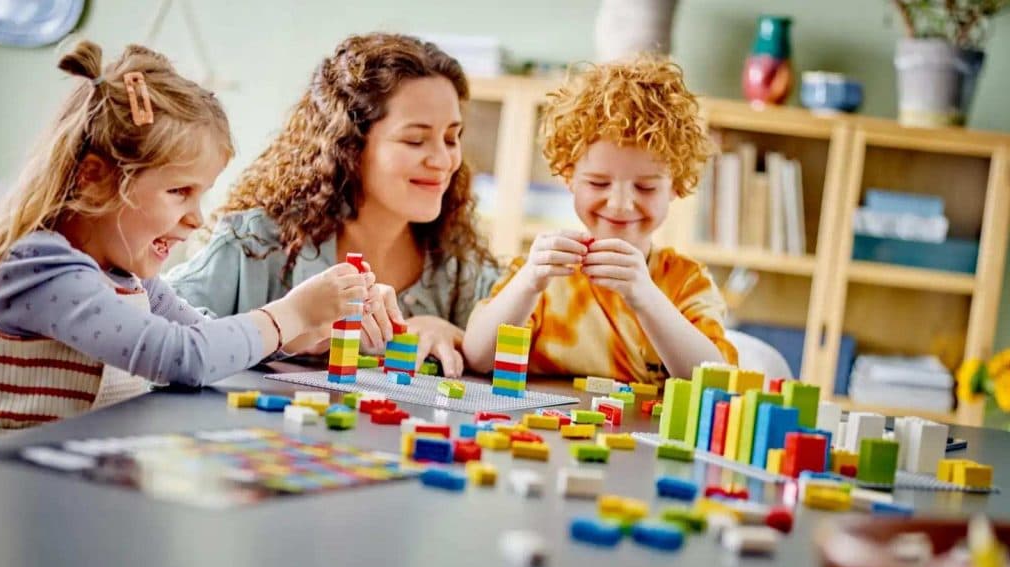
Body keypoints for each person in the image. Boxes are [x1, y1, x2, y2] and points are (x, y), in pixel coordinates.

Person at [0, 41, 389, 435]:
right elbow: (181, 355)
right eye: (179, 192)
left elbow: (208, 336)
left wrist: (303, 335)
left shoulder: (129, 277)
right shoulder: (41, 269)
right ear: (94, 179)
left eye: (201, 193)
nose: (196, 219)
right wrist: (292, 313)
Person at [167, 33, 499, 377]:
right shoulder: (254, 244)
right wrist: (283, 328)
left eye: (451, 138)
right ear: (350, 145)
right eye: (415, 140)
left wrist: (453, 334)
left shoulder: (457, 262)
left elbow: (524, 337)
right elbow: (156, 334)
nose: (443, 160)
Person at [463, 55, 737, 384]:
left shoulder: (684, 282)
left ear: (676, 186)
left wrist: (644, 296)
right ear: (568, 177)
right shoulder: (541, 273)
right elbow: (478, 357)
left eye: (645, 186)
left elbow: (717, 381)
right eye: (598, 183)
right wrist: (529, 282)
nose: (620, 204)